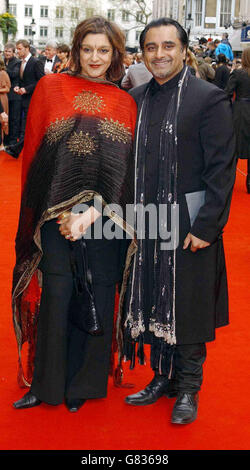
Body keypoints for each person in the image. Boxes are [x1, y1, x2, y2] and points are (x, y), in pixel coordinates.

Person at [12, 16, 137, 412]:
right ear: (75, 50)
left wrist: (91, 213)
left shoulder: (125, 102)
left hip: (103, 220)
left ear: (115, 53)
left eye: (104, 50)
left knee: (98, 291)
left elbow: (123, 173)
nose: (95, 58)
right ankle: (46, 384)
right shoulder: (50, 89)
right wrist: (55, 210)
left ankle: (82, 385)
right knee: (57, 295)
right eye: (87, 49)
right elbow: (36, 155)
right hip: (53, 216)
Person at [119, 17, 236, 425]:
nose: (160, 54)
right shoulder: (134, 99)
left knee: (187, 306)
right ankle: (160, 378)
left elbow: (221, 169)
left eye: (168, 46)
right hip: (148, 223)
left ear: (184, 50)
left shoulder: (209, 99)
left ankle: (187, 387)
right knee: (153, 299)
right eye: (151, 47)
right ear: (143, 53)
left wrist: (207, 227)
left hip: (190, 225)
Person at [3, 39, 44, 159]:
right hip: (23, 99)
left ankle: (16, 149)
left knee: (27, 125)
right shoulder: (22, 62)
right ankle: (16, 148)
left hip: (33, 99)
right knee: (24, 125)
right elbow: (23, 80)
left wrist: (26, 89)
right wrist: (18, 87)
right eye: (17, 49)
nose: (18, 51)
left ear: (27, 48)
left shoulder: (36, 62)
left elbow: (41, 81)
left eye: (20, 49)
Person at [226, 47, 250, 193]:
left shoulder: (238, 73)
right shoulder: (239, 73)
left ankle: (229, 181)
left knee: (234, 146)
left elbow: (227, 92)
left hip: (240, 111)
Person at [3, 42, 21, 146]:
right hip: (5, 95)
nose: (7, 53)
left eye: (9, 51)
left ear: (13, 52)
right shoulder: (3, 61)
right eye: (6, 51)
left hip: (14, 95)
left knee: (14, 119)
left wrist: (3, 70)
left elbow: (15, 74)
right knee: (6, 118)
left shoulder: (17, 62)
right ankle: (5, 140)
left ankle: (13, 142)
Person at [0, 57, 11, 150]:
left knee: (2, 121)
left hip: (2, 98)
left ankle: (2, 144)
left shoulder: (3, 73)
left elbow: (7, 88)